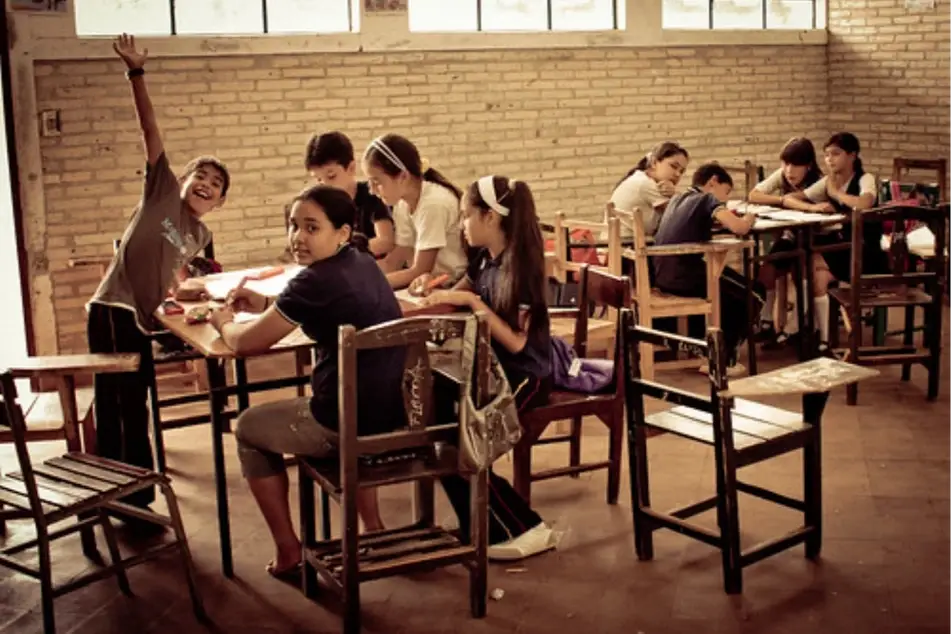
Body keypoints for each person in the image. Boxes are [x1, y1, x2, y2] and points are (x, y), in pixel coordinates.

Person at [209, 185, 405, 577]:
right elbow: (313, 303)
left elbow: (246, 344)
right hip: (394, 412)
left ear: (343, 232)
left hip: (342, 424)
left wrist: (223, 321)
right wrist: (266, 304)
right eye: (293, 226)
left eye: (311, 227)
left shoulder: (315, 281)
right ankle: (375, 529)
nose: (298, 237)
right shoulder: (361, 262)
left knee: (248, 426)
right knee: (347, 403)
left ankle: (288, 551)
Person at [86, 34, 229, 519]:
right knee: (117, 406)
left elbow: (179, 278)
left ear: (220, 202)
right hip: (113, 309)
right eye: (201, 177)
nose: (206, 186)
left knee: (138, 405)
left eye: (216, 186)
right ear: (182, 179)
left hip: (144, 321)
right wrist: (136, 72)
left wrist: (187, 295)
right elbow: (149, 130)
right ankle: (117, 496)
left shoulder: (201, 232)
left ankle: (138, 495)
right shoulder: (161, 193)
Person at [422, 175, 556, 561]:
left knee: (464, 446)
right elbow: (458, 292)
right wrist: (429, 288)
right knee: (440, 432)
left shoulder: (524, 266)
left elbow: (516, 341)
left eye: (466, 216)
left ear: (491, 218)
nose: (462, 224)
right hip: (493, 368)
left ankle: (524, 526)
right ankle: (481, 526)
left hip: (527, 375)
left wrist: (470, 302)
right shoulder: (484, 258)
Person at [652, 163, 762, 375]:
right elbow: (739, 228)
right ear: (712, 182)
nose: (725, 199)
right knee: (754, 294)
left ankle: (706, 350)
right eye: (726, 192)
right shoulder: (707, 199)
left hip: (663, 275)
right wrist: (749, 218)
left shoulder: (677, 199)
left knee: (735, 289)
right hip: (686, 275)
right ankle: (724, 360)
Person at [781, 132, 881, 353]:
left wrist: (835, 193)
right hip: (840, 248)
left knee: (812, 261)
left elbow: (864, 204)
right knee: (808, 264)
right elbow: (789, 199)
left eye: (836, 154)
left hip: (863, 252)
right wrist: (811, 207)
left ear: (852, 155)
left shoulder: (865, 179)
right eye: (826, 155)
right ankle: (820, 336)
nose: (830, 160)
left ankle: (805, 329)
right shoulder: (826, 181)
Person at [362, 134, 469, 289]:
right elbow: (395, 259)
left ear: (403, 176)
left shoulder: (433, 204)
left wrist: (368, 285)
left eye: (376, 182)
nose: (371, 191)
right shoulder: (402, 203)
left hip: (451, 287)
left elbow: (420, 270)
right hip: (426, 287)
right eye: (369, 182)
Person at [748, 137, 824, 347]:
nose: (789, 170)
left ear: (808, 165)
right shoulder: (782, 175)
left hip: (814, 241)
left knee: (802, 274)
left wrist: (793, 202)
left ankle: (797, 328)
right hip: (788, 237)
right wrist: (781, 200)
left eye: (795, 165)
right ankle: (767, 323)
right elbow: (754, 194)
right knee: (766, 271)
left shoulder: (819, 182)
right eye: (785, 163)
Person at [304, 131, 395, 258]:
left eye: (331, 176)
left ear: (351, 168)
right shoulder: (325, 207)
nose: (325, 185)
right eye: (318, 179)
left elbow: (386, 241)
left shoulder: (372, 195)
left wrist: (344, 252)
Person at [610, 141, 689, 237]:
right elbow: (683, 217)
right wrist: (676, 195)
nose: (677, 174)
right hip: (628, 247)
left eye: (681, 171)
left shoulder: (640, 178)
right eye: (673, 166)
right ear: (654, 163)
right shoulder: (646, 184)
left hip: (619, 245)